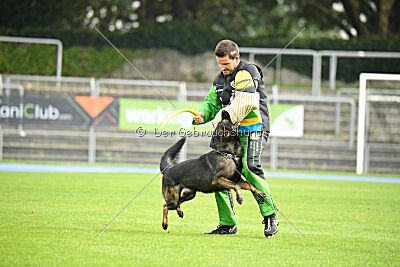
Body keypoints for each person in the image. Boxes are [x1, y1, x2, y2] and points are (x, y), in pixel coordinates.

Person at [193, 39, 279, 237]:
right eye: (219, 64)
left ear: (236, 58)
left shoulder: (247, 72)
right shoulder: (219, 80)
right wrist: (202, 115)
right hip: (233, 135)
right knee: (219, 173)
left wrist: (221, 119)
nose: (223, 68)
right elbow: (211, 102)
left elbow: (245, 104)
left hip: (255, 128)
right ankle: (227, 224)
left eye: (226, 64)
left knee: (250, 168)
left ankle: (270, 215)